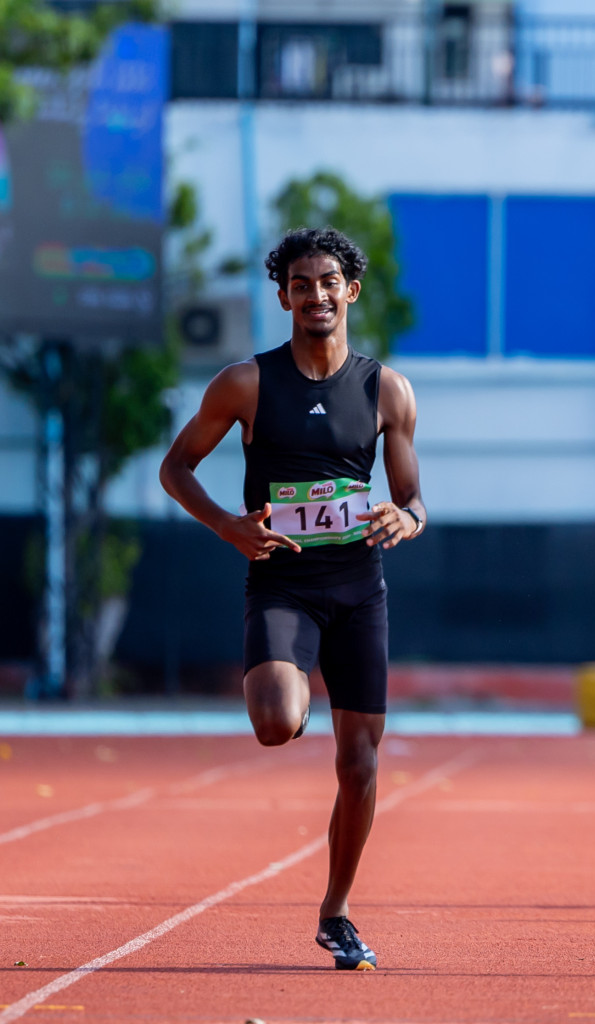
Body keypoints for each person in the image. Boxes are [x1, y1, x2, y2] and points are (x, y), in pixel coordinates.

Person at [160, 228, 426, 969]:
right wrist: (226, 526)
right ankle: (295, 686)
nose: (317, 294)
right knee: (277, 724)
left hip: (357, 588)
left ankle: (336, 910)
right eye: (302, 284)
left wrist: (406, 517)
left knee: (361, 763)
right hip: (282, 582)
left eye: (329, 281)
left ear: (351, 291)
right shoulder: (246, 384)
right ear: (283, 296)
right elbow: (176, 467)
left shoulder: (388, 390)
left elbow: (412, 498)